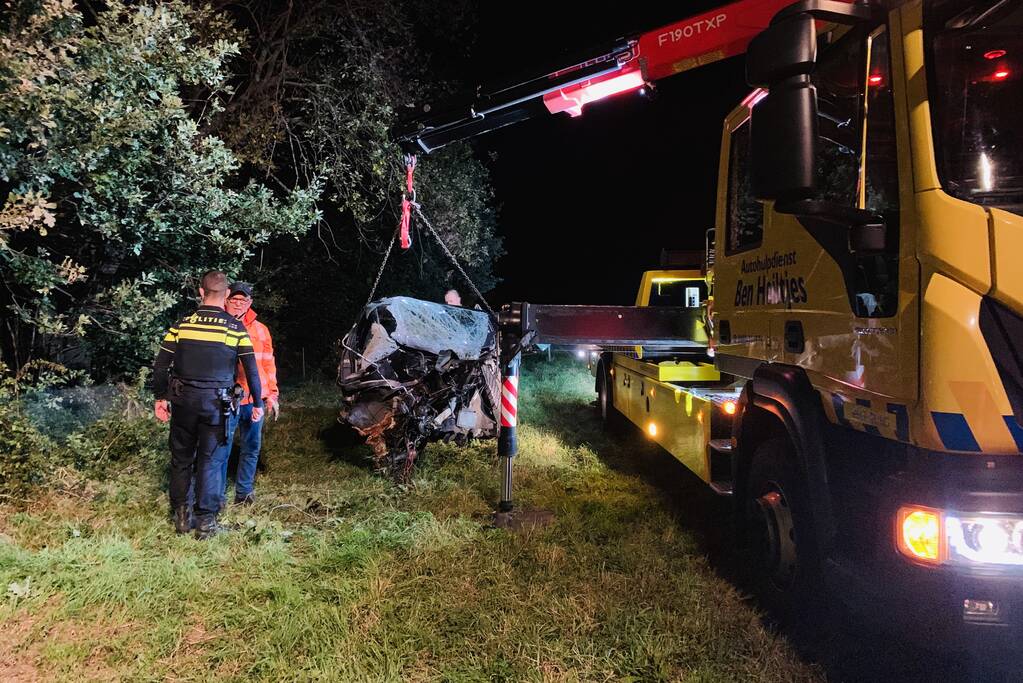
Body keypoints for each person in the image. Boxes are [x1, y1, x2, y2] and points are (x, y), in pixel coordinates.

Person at [153, 271, 264, 539]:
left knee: (181, 459)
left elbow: (160, 366)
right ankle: (205, 524)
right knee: (211, 462)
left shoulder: (182, 325)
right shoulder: (235, 328)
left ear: (201, 293)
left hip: (183, 403)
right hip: (217, 405)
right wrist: (258, 402)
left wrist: (160, 398)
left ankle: (181, 517)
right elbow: (252, 371)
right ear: (226, 295)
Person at [221, 281, 279, 505]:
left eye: (243, 300)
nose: (238, 304)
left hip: (255, 400)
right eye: (234, 300)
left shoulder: (261, 329)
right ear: (226, 300)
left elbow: (268, 365)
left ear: (250, 302)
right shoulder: (221, 326)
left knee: (251, 447)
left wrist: (271, 394)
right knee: (221, 448)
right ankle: (216, 495)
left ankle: (244, 493)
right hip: (228, 400)